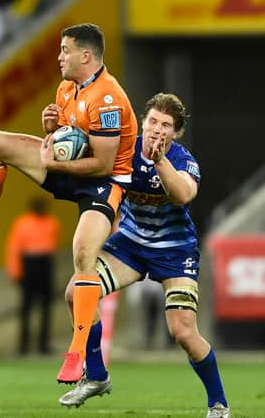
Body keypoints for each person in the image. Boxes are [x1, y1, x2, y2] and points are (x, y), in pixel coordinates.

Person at [0, 23, 138, 383]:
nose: (59, 56)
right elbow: (68, 140)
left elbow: (104, 164)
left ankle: (76, 352)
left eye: (65, 50)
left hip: (104, 184)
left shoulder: (107, 98)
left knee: (82, 254)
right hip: (70, 169)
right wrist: (51, 128)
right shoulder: (66, 89)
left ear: (86, 56)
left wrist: (55, 162)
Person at [58, 93, 230, 418]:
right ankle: (96, 375)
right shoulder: (123, 149)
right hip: (131, 244)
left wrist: (159, 160)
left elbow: (183, 195)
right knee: (76, 292)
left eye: (166, 126)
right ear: (142, 122)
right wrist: (58, 130)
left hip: (174, 251)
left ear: (176, 133)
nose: (157, 130)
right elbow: (86, 155)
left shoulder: (183, 160)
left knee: (182, 331)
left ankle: (218, 404)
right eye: (152, 122)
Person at [5, 196, 60, 355]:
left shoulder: (52, 223)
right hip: (29, 264)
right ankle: (24, 345)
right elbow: (14, 249)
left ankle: (43, 345)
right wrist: (16, 271)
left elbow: (53, 247)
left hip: (46, 264)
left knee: (46, 308)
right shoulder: (23, 223)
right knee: (26, 307)